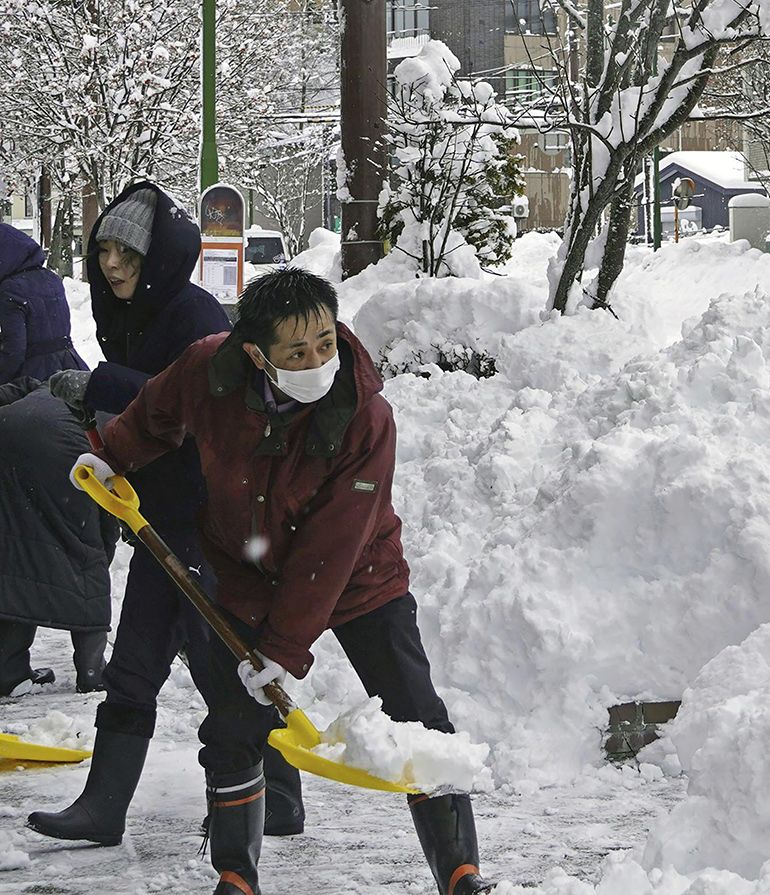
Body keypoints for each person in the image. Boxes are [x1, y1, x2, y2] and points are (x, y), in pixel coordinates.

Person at [68, 268, 494, 894]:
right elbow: (154, 415)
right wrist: (110, 457)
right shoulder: (208, 371)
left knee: (416, 717)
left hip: (360, 580)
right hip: (245, 574)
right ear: (254, 353)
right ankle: (236, 877)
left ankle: (460, 870)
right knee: (233, 726)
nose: (318, 359)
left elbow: (334, 544)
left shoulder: (363, 414)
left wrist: (283, 650)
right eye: (297, 351)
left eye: (326, 340)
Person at [28, 183, 307, 846]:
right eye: (104, 250)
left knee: (221, 666)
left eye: (126, 251)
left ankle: (282, 794)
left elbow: (198, 408)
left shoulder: (196, 313)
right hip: (159, 518)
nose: (112, 264)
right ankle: (103, 807)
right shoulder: (131, 316)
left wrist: (101, 387)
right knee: (135, 666)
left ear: (156, 257)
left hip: (209, 524)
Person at [0, 222, 107, 697]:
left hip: (24, 400)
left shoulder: (8, 291)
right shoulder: (47, 279)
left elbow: (11, 352)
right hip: (66, 382)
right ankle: (89, 667)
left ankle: (9, 667)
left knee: (17, 538)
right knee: (83, 536)